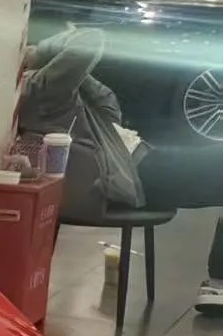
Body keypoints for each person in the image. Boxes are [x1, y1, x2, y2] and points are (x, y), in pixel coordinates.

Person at [16, 27, 223, 314]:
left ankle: (219, 283)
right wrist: (39, 53)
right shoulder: (41, 89)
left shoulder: (50, 89)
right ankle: (219, 284)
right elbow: (90, 40)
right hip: (133, 175)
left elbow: (107, 103)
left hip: (138, 163)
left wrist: (75, 75)